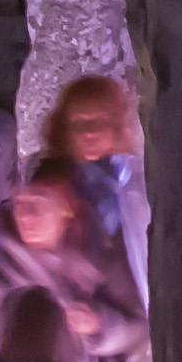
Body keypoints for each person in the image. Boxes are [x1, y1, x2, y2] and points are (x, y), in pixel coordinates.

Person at [0, 165, 149, 362]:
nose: (26, 217)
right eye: (20, 204)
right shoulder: (1, 268)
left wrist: (99, 325)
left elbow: (138, 329)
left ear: (67, 208)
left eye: (39, 203)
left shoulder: (103, 261)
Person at [48, 73, 150, 293]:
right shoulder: (53, 185)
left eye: (97, 122)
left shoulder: (140, 180)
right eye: (79, 123)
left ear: (116, 123)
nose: (89, 134)